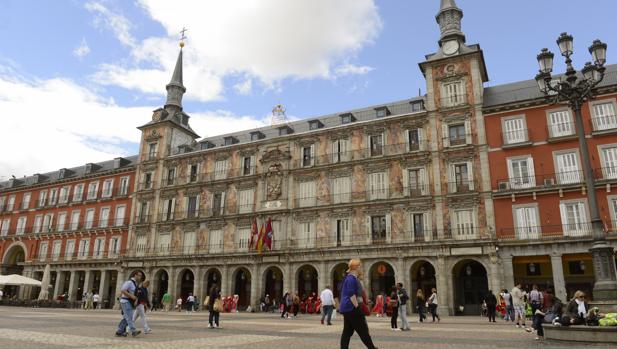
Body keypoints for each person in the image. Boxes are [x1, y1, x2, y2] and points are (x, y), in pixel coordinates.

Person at [339, 259, 378, 349]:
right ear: (355, 267)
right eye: (360, 266)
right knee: (363, 329)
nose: (361, 268)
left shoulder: (351, 278)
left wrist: (364, 302)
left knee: (347, 332)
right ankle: (372, 348)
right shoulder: (351, 278)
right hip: (352, 308)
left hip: (348, 308)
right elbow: (351, 294)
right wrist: (357, 307)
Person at [115, 270, 142, 337]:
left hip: (130, 302)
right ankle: (133, 331)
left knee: (126, 317)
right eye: (139, 275)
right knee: (129, 317)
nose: (140, 277)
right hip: (125, 301)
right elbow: (123, 290)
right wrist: (131, 296)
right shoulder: (129, 282)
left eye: (141, 276)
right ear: (135, 275)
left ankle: (119, 331)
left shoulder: (135, 284)